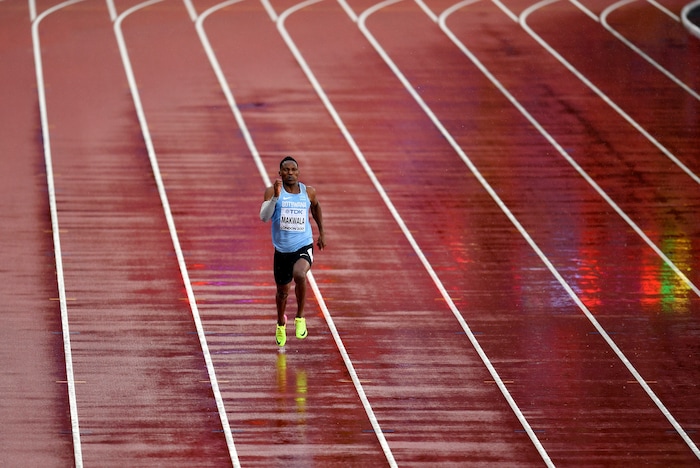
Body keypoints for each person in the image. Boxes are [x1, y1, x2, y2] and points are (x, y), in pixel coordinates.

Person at [260, 156, 325, 347]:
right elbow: (264, 217)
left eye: (293, 170)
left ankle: (300, 317)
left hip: (303, 245)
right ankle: (281, 322)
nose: (290, 173)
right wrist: (275, 198)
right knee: (282, 292)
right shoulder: (272, 191)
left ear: (298, 172)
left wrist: (322, 233)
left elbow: (316, 207)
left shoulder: (308, 192)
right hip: (282, 250)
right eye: (286, 170)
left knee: (300, 274)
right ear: (279, 173)